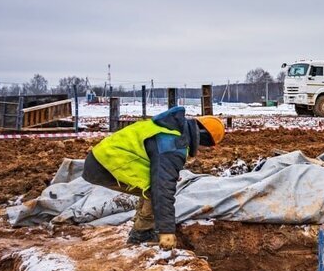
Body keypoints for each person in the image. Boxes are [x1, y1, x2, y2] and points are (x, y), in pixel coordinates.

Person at [82, 106, 224, 249]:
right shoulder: (173, 145)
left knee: (152, 185)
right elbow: (162, 189)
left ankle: (141, 226)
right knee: (154, 190)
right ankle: (141, 233)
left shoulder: (167, 127)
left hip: (102, 158)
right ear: (203, 138)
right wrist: (166, 231)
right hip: (105, 165)